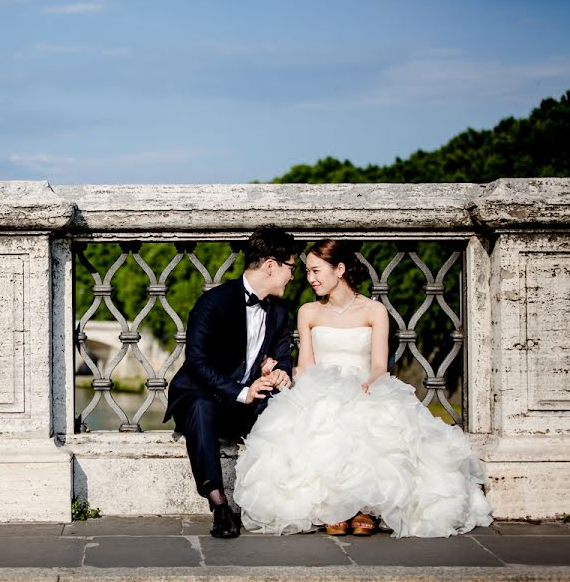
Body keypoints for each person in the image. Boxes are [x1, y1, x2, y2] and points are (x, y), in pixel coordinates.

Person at [233, 239, 493, 537]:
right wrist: (280, 372)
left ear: (339, 269)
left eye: (316, 271)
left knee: (368, 422)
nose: (310, 279)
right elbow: (306, 366)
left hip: (365, 384)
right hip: (322, 387)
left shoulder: (374, 311)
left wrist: (370, 382)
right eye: (306, 272)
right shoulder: (308, 312)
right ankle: (335, 508)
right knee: (321, 420)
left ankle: (361, 509)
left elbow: (380, 365)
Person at [163, 226, 298, 539]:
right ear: (270, 265)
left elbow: (284, 356)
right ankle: (219, 503)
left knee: (284, 412)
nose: (293, 276)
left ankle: (282, 502)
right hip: (202, 394)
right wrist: (242, 391)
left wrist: (281, 373)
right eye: (290, 268)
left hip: (245, 404)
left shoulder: (278, 311)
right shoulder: (213, 303)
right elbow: (196, 363)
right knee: (200, 407)